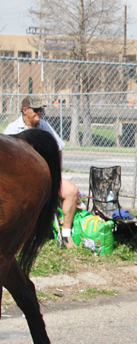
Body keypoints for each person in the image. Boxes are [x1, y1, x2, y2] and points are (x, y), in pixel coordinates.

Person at [3, 95, 79, 247]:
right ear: (24, 110)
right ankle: (28, 238)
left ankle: (66, 235)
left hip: (46, 177)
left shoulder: (44, 126)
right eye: (36, 110)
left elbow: (58, 148)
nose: (39, 113)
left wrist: (55, 173)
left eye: (41, 110)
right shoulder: (12, 130)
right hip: (21, 183)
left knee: (72, 191)